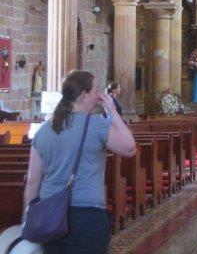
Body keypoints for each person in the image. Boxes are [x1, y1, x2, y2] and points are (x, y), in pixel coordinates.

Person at [23, 70, 137, 253]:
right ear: (84, 95)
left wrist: (28, 218)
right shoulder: (97, 124)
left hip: (49, 216)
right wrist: (112, 110)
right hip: (87, 216)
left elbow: (32, 182)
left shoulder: (43, 130)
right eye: (96, 90)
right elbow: (130, 148)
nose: (99, 95)